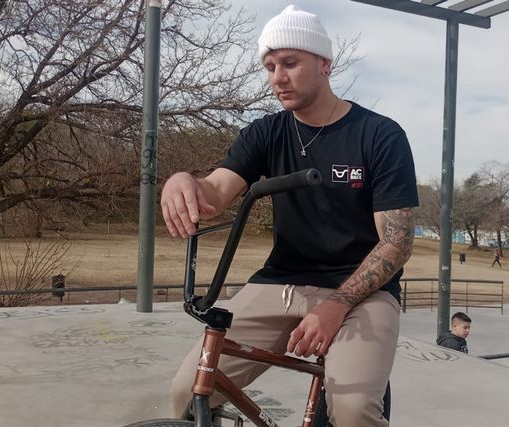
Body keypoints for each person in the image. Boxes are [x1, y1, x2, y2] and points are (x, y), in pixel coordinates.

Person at [161, 5, 418, 427]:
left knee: (353, 411)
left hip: (361, 293)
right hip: (281, 282)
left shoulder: (379, 135)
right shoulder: (264, 133)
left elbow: (397, 242)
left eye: (290, 63)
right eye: (270, 65)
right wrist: (182, 181)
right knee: (188, 392)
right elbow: (215, 191)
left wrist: (336, 305)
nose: (277, 77)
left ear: (324, 64)